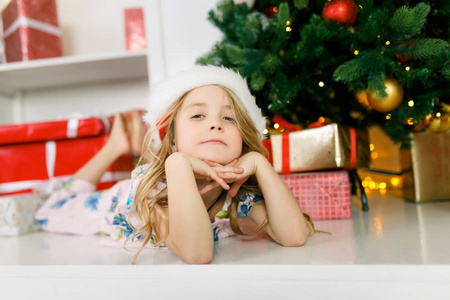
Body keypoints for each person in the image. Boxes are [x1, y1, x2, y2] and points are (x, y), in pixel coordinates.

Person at [36, 66, 316, 264]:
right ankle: (114, 147)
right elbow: (197, 253)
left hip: (168, 163)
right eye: (197, 116)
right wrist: (178, 163)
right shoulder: (152, 193)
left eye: (229, 119)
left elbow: (293, 235)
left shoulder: (237, 192)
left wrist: (259, 162)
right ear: (173, 141)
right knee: (53, 207)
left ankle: (128, 145)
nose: (215, 123)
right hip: (107, 205)